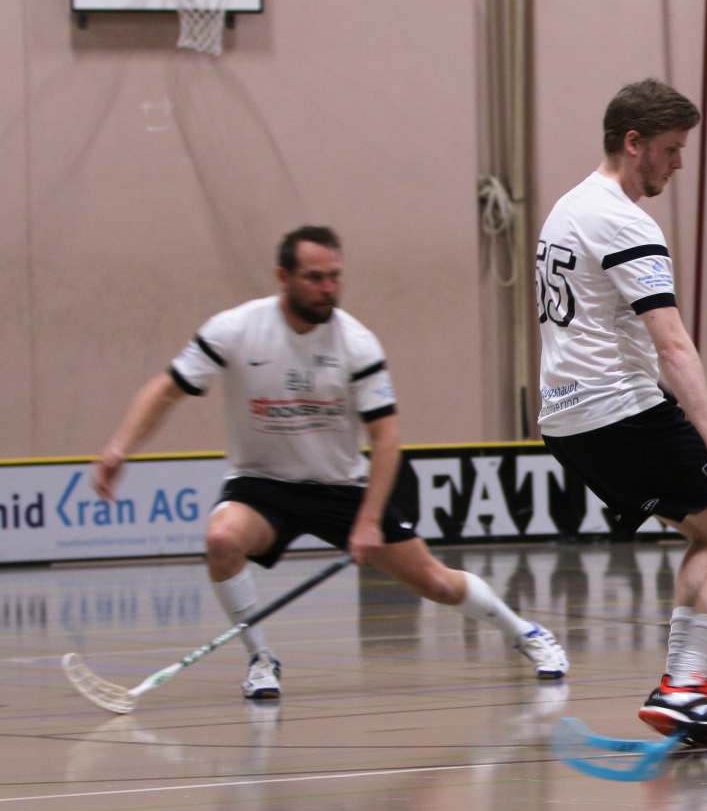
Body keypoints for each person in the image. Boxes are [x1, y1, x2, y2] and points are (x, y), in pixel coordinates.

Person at [91, 226, 567, 699]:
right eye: (314, 278)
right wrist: (118, 450)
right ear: (283, 277)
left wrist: (368, 521)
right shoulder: (235, 330)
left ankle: (526, 633)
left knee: (436, 583)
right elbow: (166, 389)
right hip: (261, 483)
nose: (328, 288)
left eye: (335, 277)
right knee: (221, 538)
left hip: (342, 488)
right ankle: (261, 660)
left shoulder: (357, 344)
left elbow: (386, 437)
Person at [535, 80, 707, 757]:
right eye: (671, 149)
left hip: (567, 420)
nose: (678, 162)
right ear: (633, 143)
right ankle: (689, 687)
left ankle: (677, 687)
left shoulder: (567, 206)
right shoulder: (624, 221)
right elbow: (671, 344)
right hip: (619, 408)